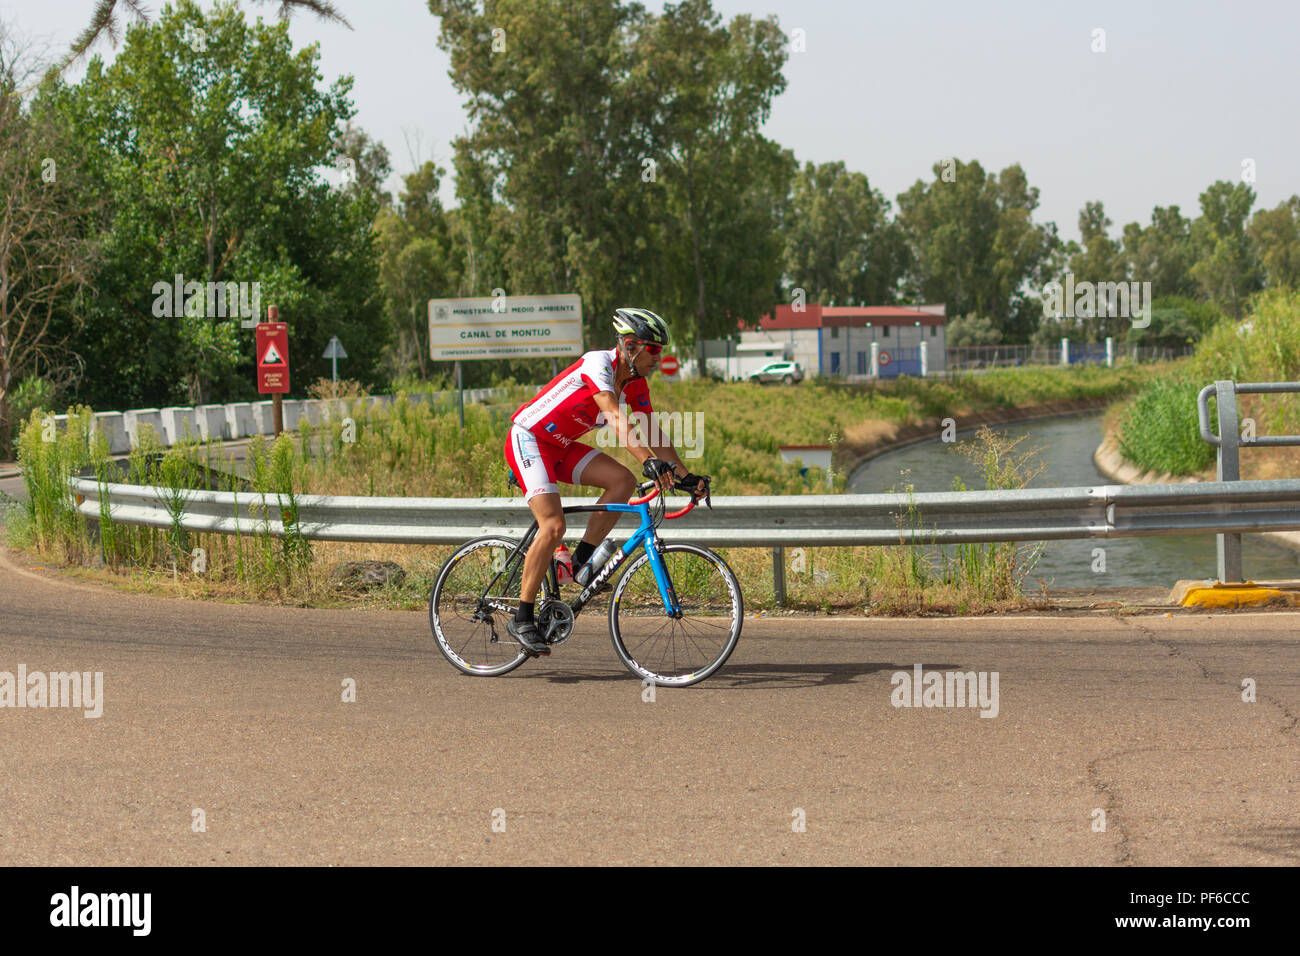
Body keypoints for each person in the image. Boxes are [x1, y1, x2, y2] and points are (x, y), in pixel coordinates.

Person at [502, 307, 710, 655]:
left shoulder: (636, 383)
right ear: (630, 346)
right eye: (654, 350)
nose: (659, 358)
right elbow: (614, 415)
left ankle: (579, 562)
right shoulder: (597, 364)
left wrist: (684, 477)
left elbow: (652, 430)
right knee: (553, 526)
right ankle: (521, 617)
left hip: (561, 445)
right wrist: (648, 462)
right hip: (529, 439)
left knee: (622, 481)